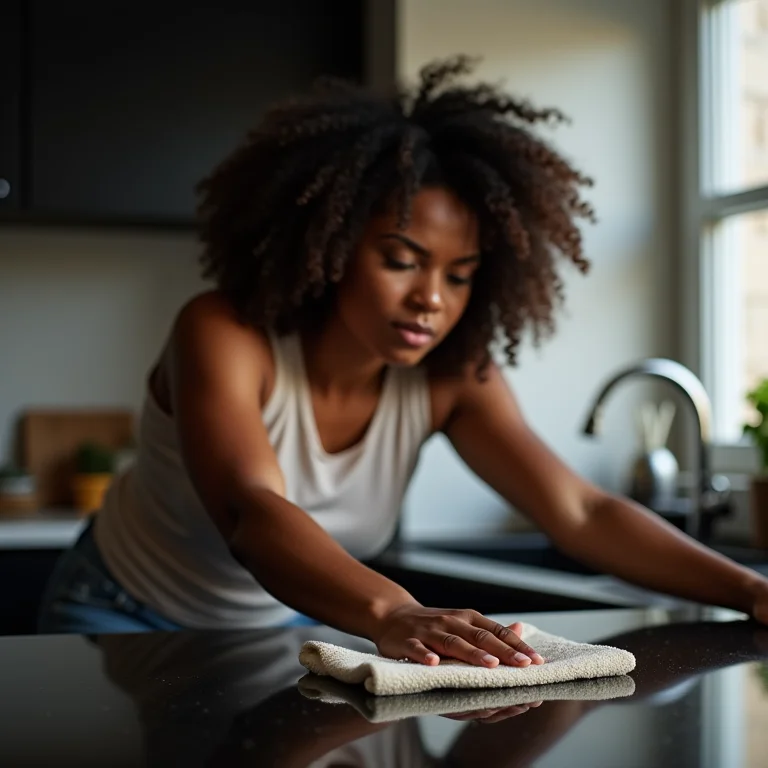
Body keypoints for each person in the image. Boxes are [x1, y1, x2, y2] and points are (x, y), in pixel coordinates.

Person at [38, 56, 768, 667]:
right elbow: (251, 512)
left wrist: (748, 589)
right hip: (119, 613)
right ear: (328, 247)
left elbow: (580, 511)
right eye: (401, 260)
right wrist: (393, 612)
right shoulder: (226, 331)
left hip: (284, 626)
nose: (431, 300)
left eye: (459, 275)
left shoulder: (453, 375)